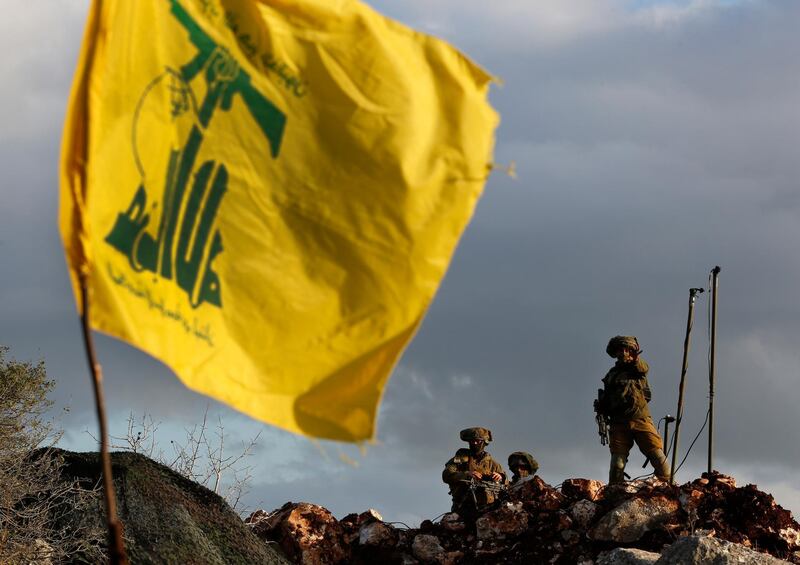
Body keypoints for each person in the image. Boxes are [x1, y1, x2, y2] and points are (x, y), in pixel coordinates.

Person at [596, 335, 670, 484]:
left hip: (640, 419)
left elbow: (643, 368)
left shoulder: (638, 368)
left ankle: (666, 490)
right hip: (619, 424)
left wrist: (635, 359)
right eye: (620, 350)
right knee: (617, 465)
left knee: (660, 461)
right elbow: (608, 400)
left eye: (626, 349)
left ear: (632, 351)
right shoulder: (611, 375)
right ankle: (614, 495)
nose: (623, 353)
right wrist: (602, 406)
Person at [442, 427, 506, 520]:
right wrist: (467, 474)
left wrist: (501, 477)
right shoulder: (460, 459)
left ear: (484, 442)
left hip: (488, 509)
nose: (475, 443)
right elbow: (446, 475)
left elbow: (506, 484)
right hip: (462, 508)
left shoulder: (493, 464)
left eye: (478, 441)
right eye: (472, 441)